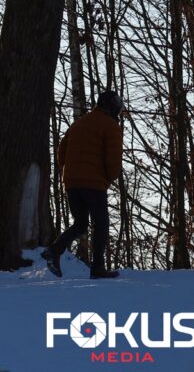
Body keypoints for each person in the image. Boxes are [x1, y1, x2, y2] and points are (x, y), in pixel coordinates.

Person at [42, 90, 124, 280]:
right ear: (112, 107)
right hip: (94, 183)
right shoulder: (110, 126)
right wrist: (108, 178)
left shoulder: (79, 123)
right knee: (101, 224)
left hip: (72, 182)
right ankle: (97, 268)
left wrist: (67, 171)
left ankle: (54, 250)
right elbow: (113, 160)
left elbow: (62, 149)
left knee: (80, 223)